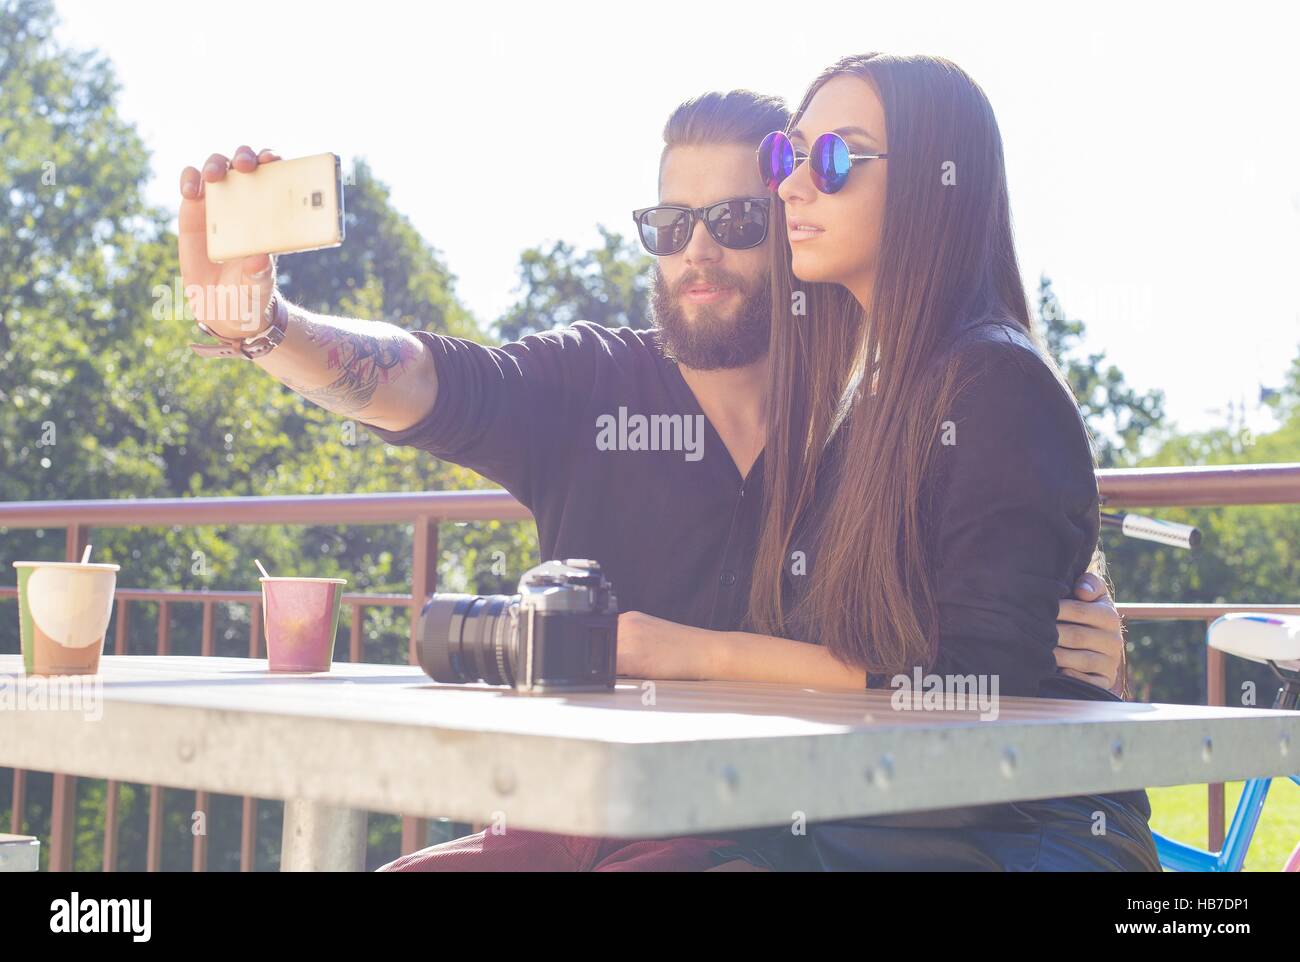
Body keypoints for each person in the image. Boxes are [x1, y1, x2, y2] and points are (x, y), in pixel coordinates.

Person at [176, 70, 1134, 870]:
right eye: (669, 224)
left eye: (734, 216)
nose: (699, 250)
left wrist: (1066, 655)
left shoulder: (890, 405)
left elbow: (976, 670)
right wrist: (262, 327)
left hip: (842, 825)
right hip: (639, 812)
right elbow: (424, 379)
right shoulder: (593, 383)